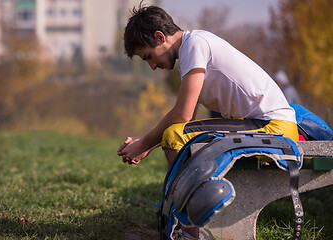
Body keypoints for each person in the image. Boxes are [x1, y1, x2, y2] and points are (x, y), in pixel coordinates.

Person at [117, 4, 298, 239]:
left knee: (174, 135)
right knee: (176, 135)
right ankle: (186, 224)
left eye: (149, 57)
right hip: (266, 125)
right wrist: (147, 145)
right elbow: (187, 122)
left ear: (160, 37)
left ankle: (189, 233)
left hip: (273, 128)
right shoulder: (191, 51)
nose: (152, 66)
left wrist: (143, 144)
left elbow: (182, 115)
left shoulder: (195, 45)